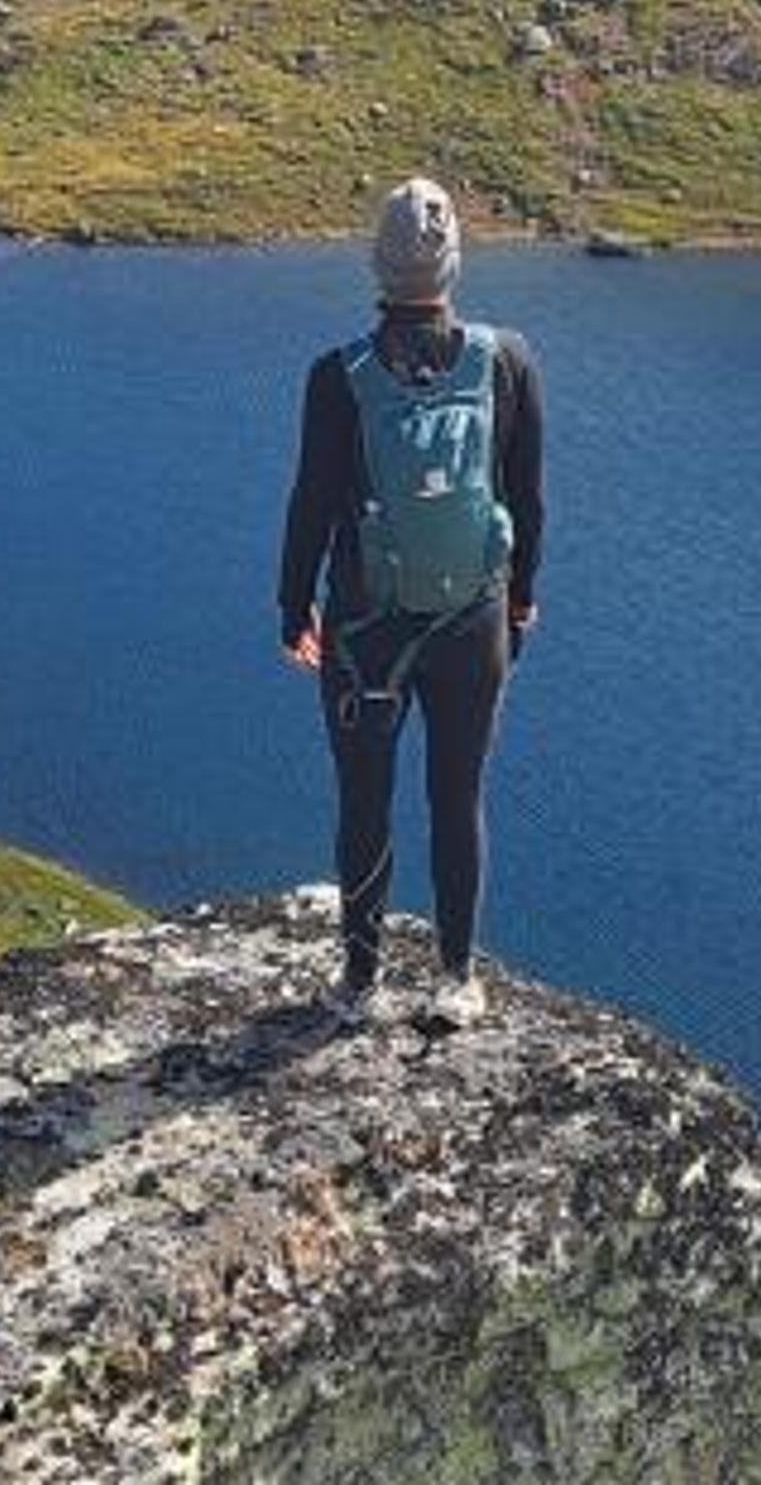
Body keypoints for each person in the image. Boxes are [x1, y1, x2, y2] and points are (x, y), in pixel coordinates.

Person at [277, 173, 544, 1025]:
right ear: (452, 264)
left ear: (376, 266)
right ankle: (458, 978)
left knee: (365, 798)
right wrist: (522, 600)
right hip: (474, 620)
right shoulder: (507, 360)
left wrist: (294, 610)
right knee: (457, 797)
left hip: (366, 627)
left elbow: (311, 502)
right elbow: (528, 498)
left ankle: (360, 983)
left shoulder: (339, 376)